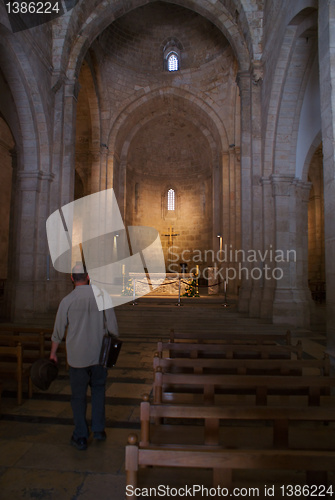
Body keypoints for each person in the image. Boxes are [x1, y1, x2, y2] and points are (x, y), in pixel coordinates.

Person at [50, 263, 119, 451]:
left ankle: (81, 436)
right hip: (99, 356)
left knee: (78, 397)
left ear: (72, 278)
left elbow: (58, 331)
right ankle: (98, 430)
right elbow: (113, 328)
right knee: (98, 391)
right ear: (88, 277)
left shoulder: (67, 301)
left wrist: (53, 353)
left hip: (77, 358)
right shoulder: (102, 296)